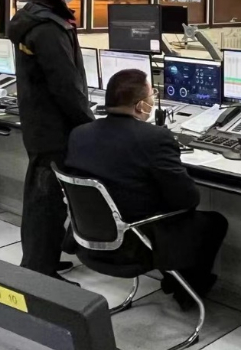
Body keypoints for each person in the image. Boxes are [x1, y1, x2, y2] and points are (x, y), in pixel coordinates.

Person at [66, 69, 227, 309]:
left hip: (90, 239)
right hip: (134, 245)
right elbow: (187, 199)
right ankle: (187, 291)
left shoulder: (79, 134)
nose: (153, 99)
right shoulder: (155, 138)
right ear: (141, 105)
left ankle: (176, 281)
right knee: (213, 222)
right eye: (152, 94)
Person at [7, 0, 94, 280]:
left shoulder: (33, 17)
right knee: (46, 199)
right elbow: (65, 84)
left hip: (40, 120)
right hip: (54, 127)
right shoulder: (49, 26)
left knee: (46, 195)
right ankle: (39, 270)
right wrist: (89, 124)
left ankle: (45, 258)